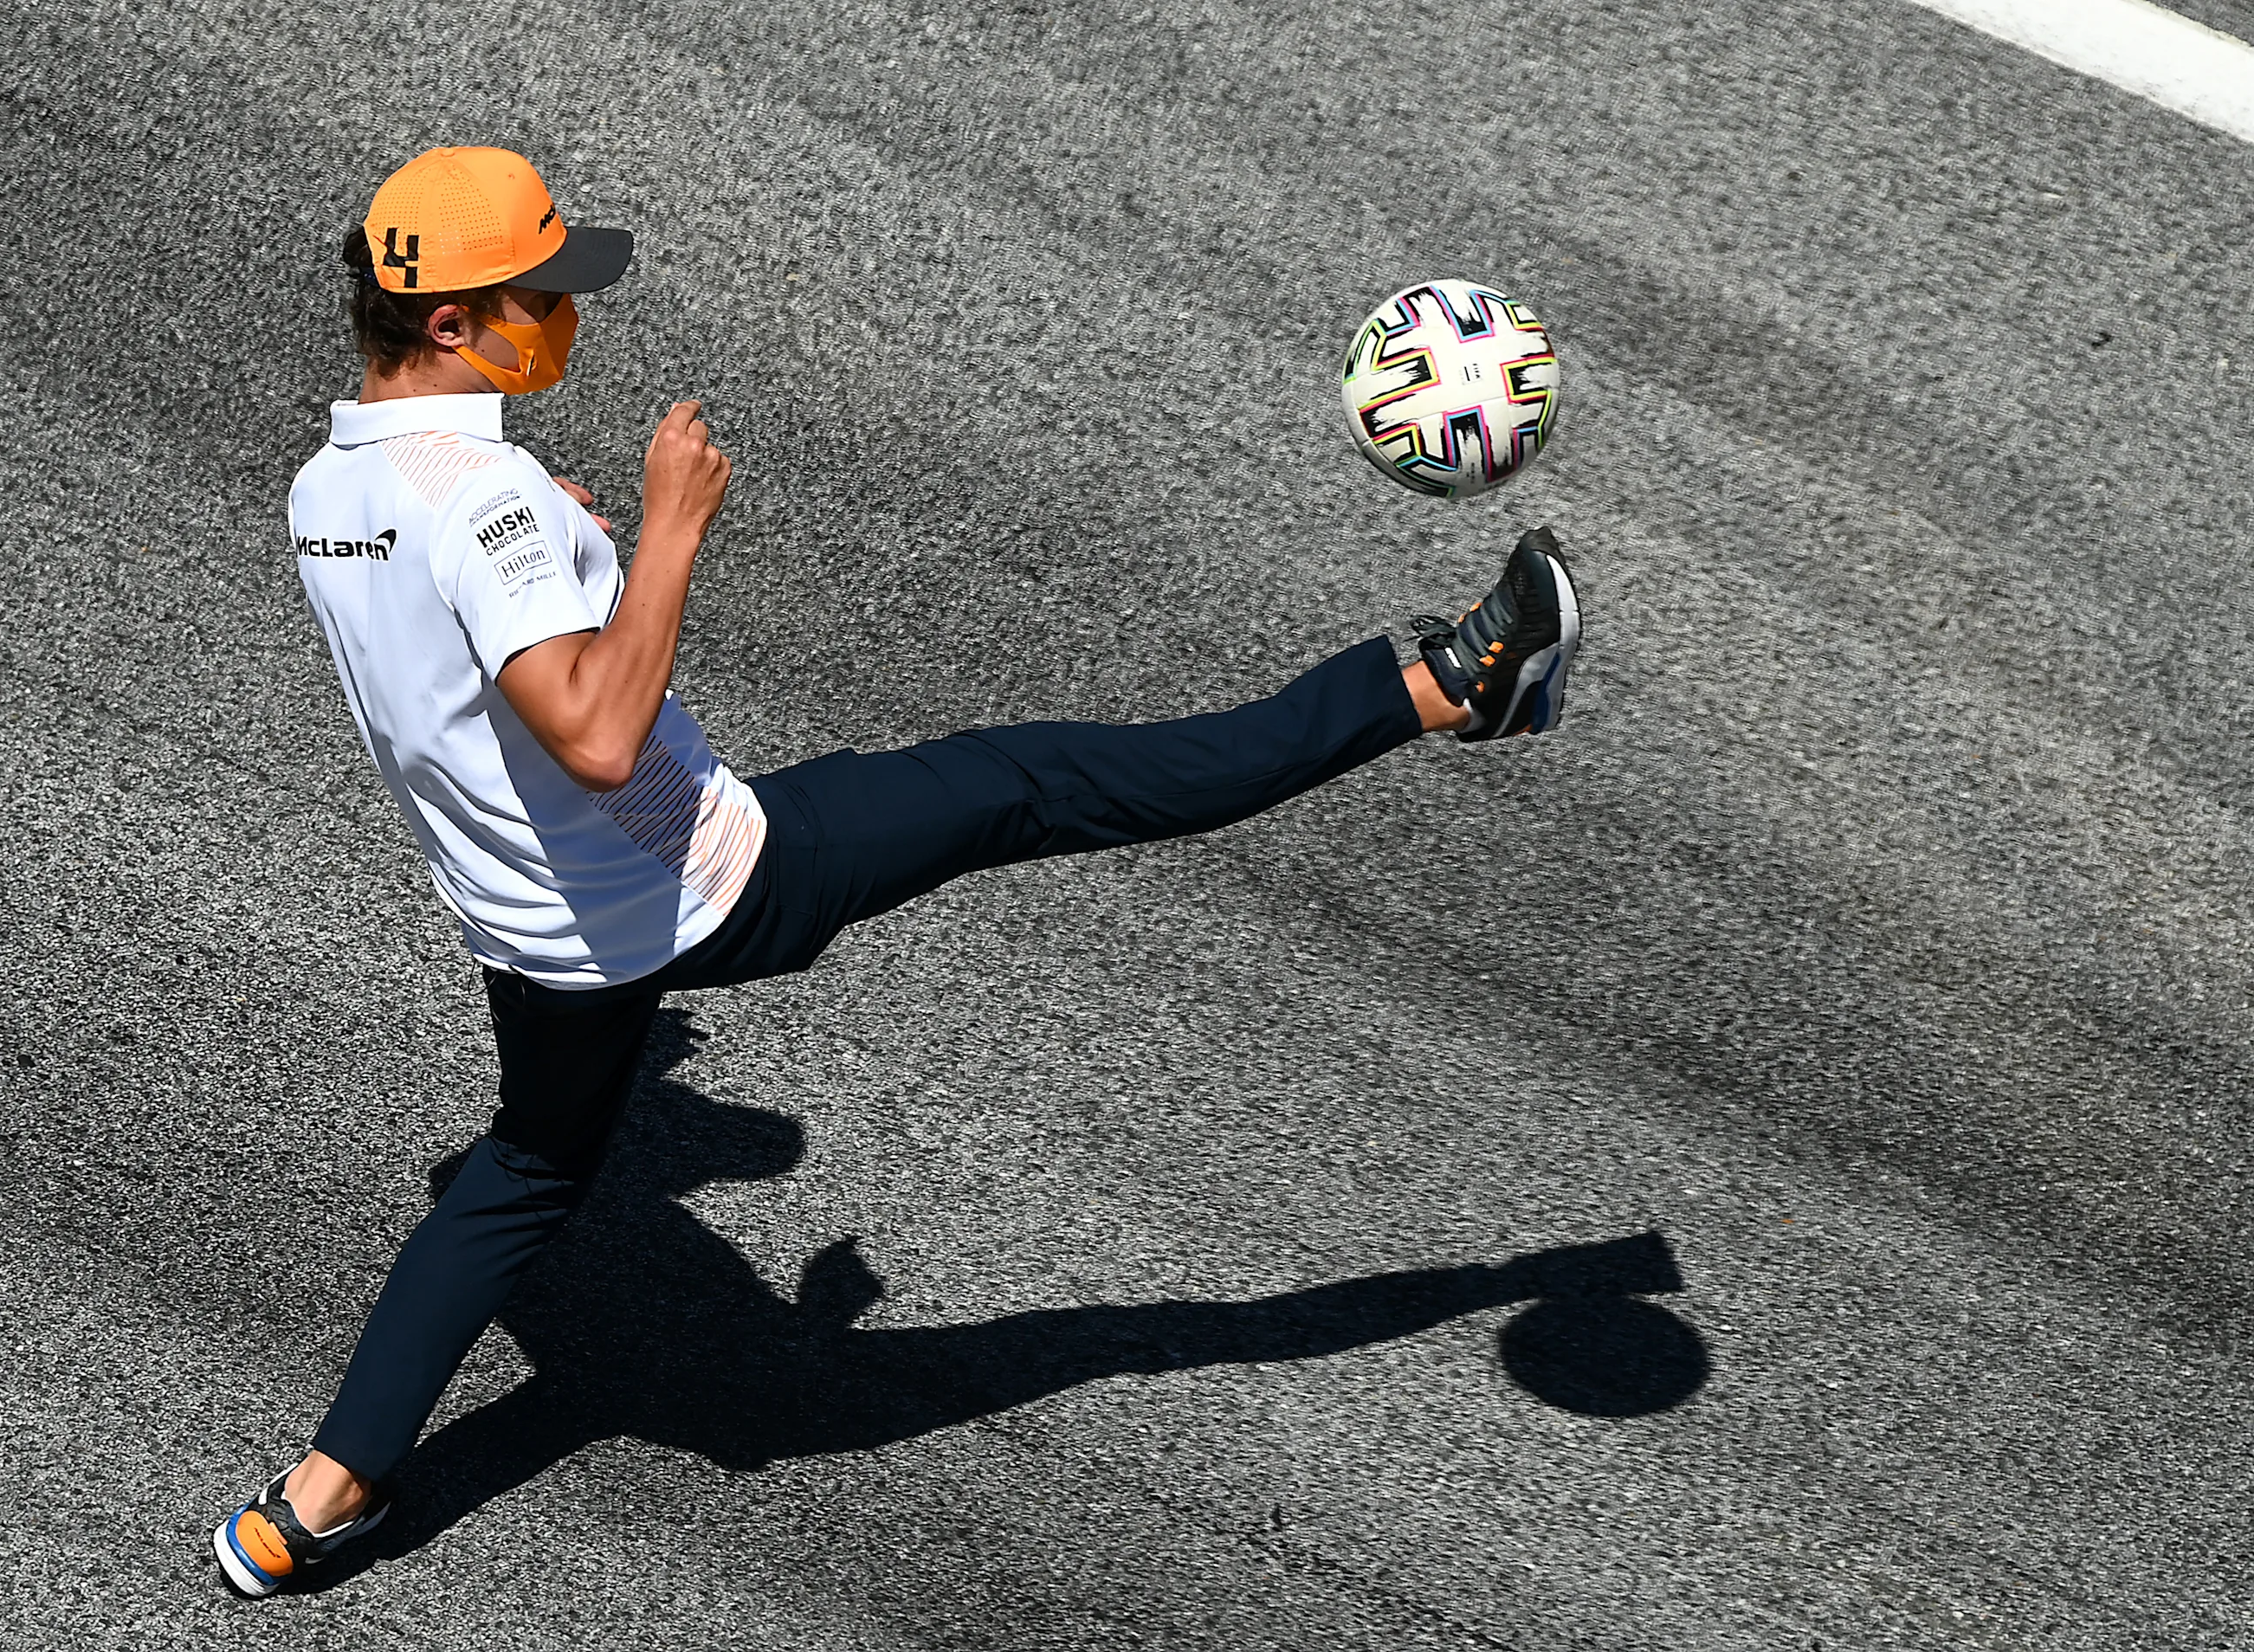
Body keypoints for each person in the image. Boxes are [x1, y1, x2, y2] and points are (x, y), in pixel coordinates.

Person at [214, 145, 1581, 1597]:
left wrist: (549, 543)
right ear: (450, 322)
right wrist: (668, 530)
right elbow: (599, 738)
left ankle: (306, 1510)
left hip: (531, 933)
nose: (569, 315)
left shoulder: (335, 487)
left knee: (525, 1170)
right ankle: (1453, 684)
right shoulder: (482, 502)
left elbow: (453, 644)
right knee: (1041, 784)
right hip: (701, 880)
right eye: (541, 297)